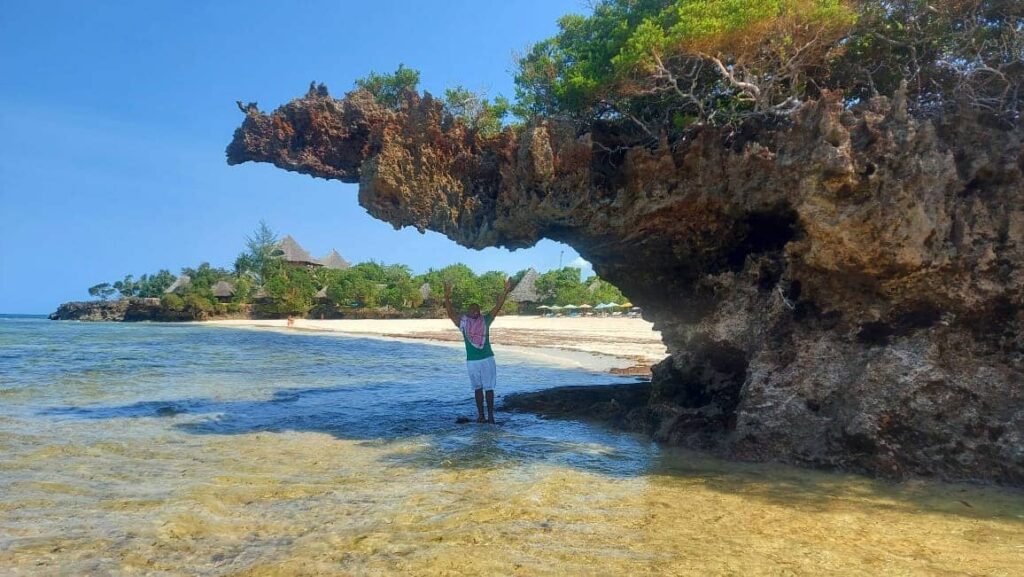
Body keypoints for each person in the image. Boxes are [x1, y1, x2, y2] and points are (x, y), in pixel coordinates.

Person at [443, 278, 513, 424]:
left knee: (489, 389)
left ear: (480, 312)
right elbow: (451, 314)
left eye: (477, 309)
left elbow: (497, 307)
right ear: (468, 312)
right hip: (472, 362)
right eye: (472, 309)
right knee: (477, 389)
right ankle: (481, 416)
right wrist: (446, 296)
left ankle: (491, 417)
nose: (475, 311)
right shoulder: (463, 324)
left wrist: (505, 291)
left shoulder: (486, 320)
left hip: (487, 359)